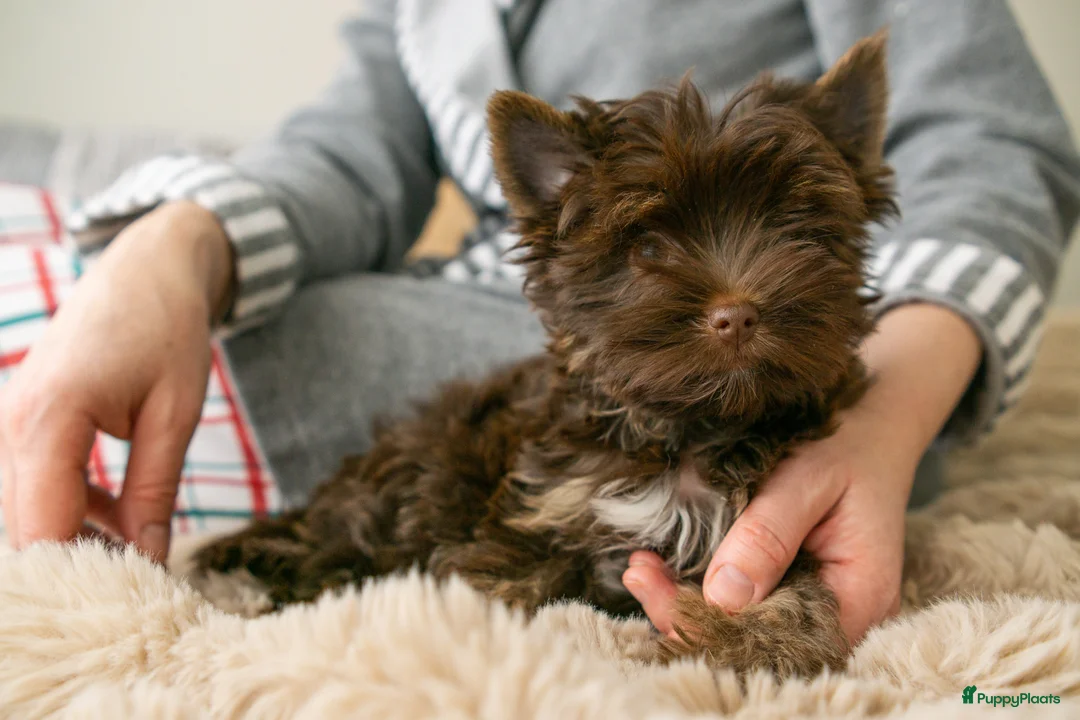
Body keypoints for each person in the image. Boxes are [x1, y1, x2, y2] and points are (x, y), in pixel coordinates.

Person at [1, 0, 1078, 648]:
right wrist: (171, 252)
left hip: (863, 375)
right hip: (544, 332)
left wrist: (887, 417)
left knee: (116, 288)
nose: (732, 288)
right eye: (664, 244)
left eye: (782, 228)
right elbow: (346, 160)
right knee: (110, 252)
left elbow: (991, 151)